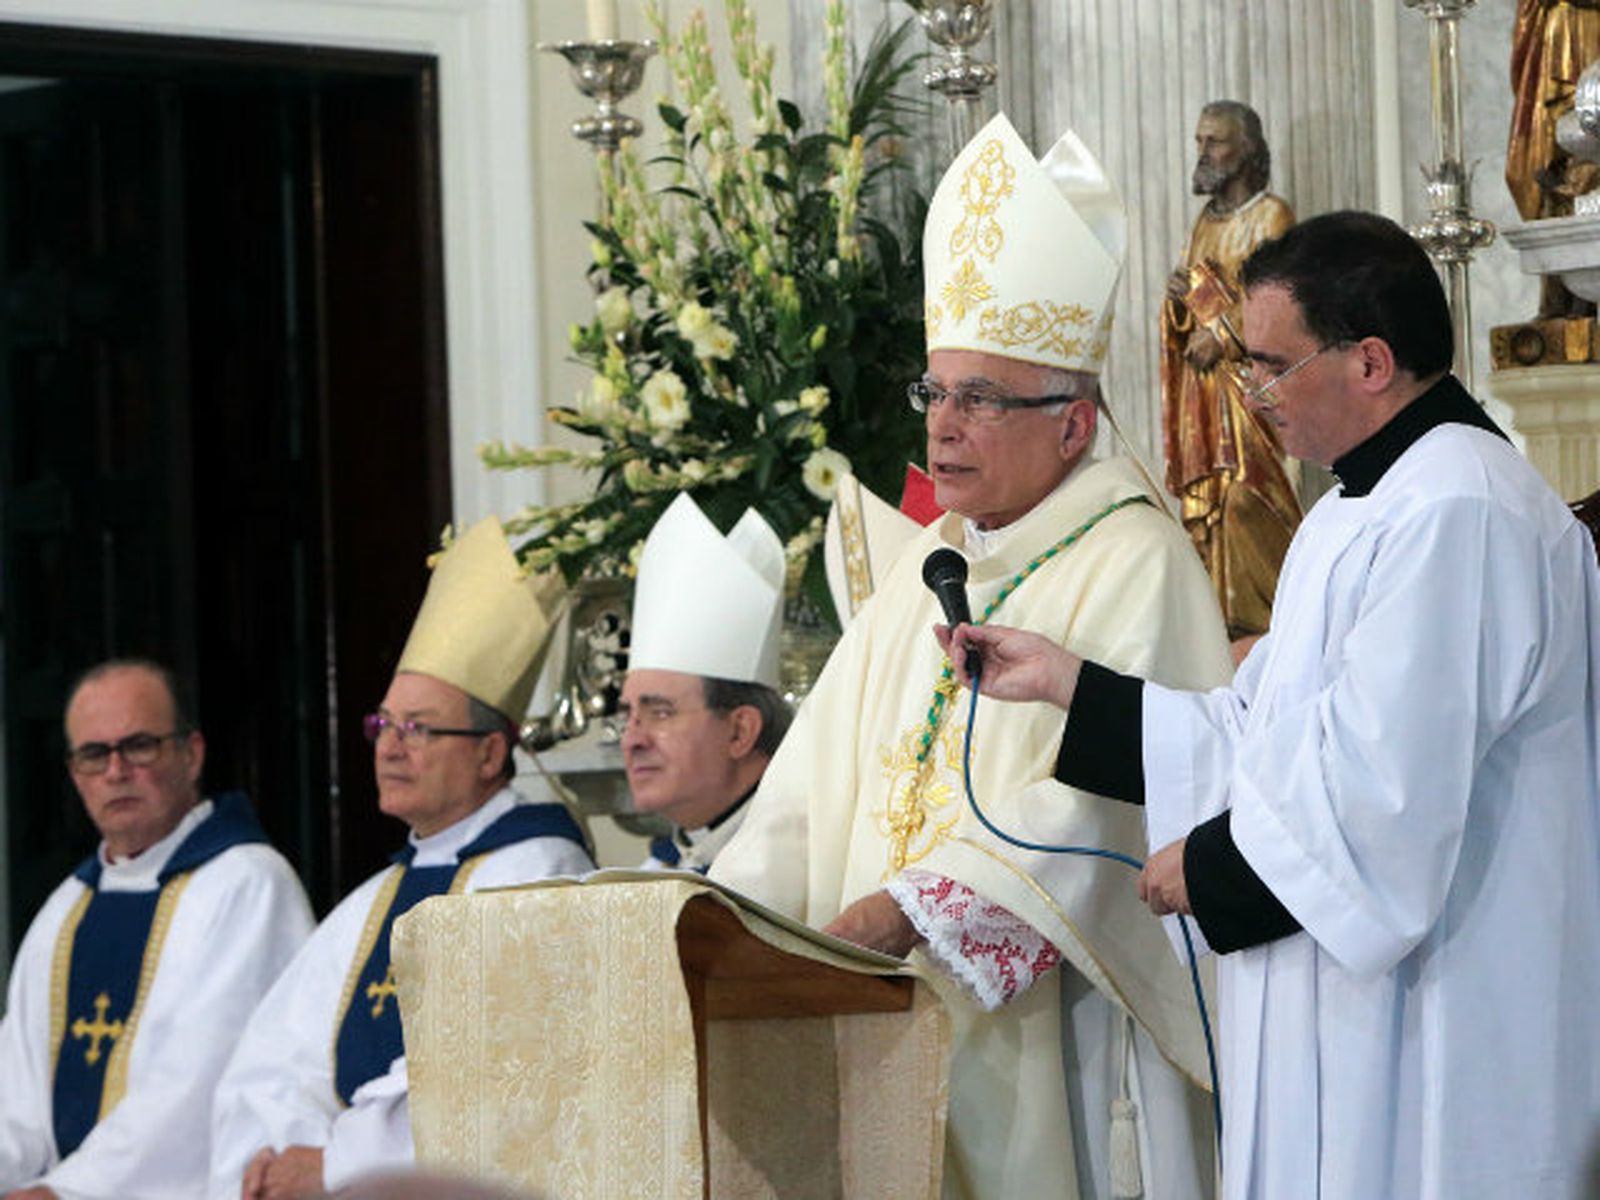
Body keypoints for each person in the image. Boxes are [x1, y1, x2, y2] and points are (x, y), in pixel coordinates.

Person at [946, 211, 1600, 1199]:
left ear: (1369, 361)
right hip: (1357, 1006)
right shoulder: (1351, 509)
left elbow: (1385, 786)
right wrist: (1065, 683)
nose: (1250, 396)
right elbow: (1263, 734)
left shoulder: (1459, 507)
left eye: (1269, 367)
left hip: (1446, 1018)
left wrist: (1213, 867)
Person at [710, 113, 1235, 1200]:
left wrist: (907, 913)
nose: (943, 426)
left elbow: (1112, 807)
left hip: (1060, 1037)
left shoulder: (1134, 559)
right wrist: (724, 926)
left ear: (1074, 425)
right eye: (936, 392)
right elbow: (807, 788)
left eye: (982, 398)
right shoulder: (930, 564)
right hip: (875, 1013)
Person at [209, 518, 594, 1200]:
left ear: (490, 753)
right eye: (382, 725)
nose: (388, 747)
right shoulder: (377, 896)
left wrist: (332, 1165)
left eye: (418, 729)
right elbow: (276, 1061)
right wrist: (280, 1159)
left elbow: (486, 1070)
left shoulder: (539, 876)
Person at [0, 659, 313, 1200]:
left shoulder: (247, 885)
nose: (116, 771)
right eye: (94, 754)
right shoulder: (67, 908)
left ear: (192, 754)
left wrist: (66, 1192)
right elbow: (16, 1087)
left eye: (139, 746)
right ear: (74, 774)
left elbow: (196, 1085)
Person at [1161, 99, 1301, 639]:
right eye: (1199, 140)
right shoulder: (1204, 222)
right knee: (1212, 506)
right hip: (1206, 395)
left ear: (1246, 150)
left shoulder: (1272, 217)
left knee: (1247, 498)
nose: (1203, 151)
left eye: (1214, 141)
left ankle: (1272, 623)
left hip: (1252, 390)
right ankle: (1220, 628)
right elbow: (1195, 304)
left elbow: (1279, 301)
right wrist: (1179, 302)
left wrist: (1221, 334)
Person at [619, 493, 791, 873]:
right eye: (628, 716)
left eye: (660, 712)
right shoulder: (658, 869)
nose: (632, 740)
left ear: (740, 731)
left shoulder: (799, 860)